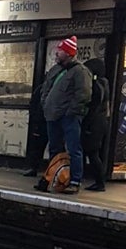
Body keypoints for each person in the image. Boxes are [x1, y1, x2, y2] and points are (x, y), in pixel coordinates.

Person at [39, 36, 91, 194]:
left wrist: (71, 112)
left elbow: (83, 94)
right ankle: (54, 177)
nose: (57, 54)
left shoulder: (80, 71)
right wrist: (45, 102)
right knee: (55, 148)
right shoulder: (57, 70)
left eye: (60, 51)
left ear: (69, 54)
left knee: (74, 148)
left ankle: (74, 180)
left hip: (69, 116)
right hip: (52, 115)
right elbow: (46, 87)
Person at [81, 58, 110, 192]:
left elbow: (93, 107)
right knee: (92, 153)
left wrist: (86, 124)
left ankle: (99, 182)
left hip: (94, 124)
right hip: (100, 123)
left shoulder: (97, 86)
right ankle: (99, 181)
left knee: (92, 153)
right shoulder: (105, 83)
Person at [22, 70, 48, 176]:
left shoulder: (42, 89)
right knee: (38, 147)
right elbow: (34, 104)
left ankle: (36, 168)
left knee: (40, 147)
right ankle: (35, 168)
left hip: (45, 120)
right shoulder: (41, 89)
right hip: (43, 120)